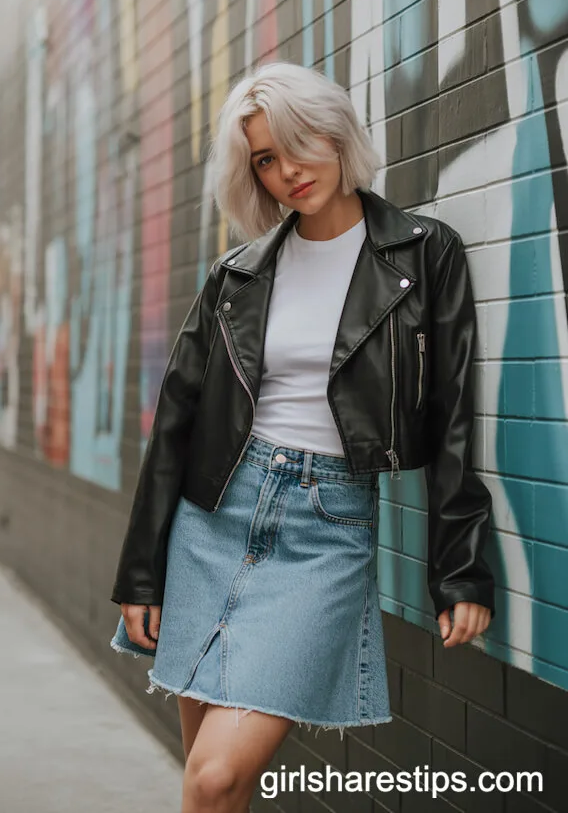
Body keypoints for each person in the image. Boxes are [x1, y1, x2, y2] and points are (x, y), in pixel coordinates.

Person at [109, 60, 495, 813]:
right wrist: (141, 574)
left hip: (327, 528)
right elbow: (177, 423)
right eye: (264, 159)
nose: (287, 170)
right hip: (214, 515)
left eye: (298, 143)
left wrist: (462, 570)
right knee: (215, 781)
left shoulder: (424, 254)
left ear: (337, 132)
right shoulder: (239, 273)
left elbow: (453, 417)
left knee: (215, 777)